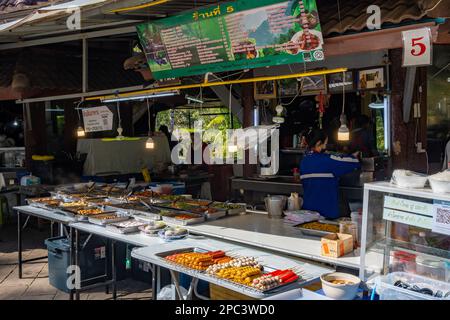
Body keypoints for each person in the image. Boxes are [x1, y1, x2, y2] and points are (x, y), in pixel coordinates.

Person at [300, 128, 361, 219]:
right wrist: (354, 156)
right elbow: (353, 162)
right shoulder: (328, 160)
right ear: (318, 143)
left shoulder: (304, 161)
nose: (325, 146)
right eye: (325, 143)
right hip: (327, 214)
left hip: (309, 213)